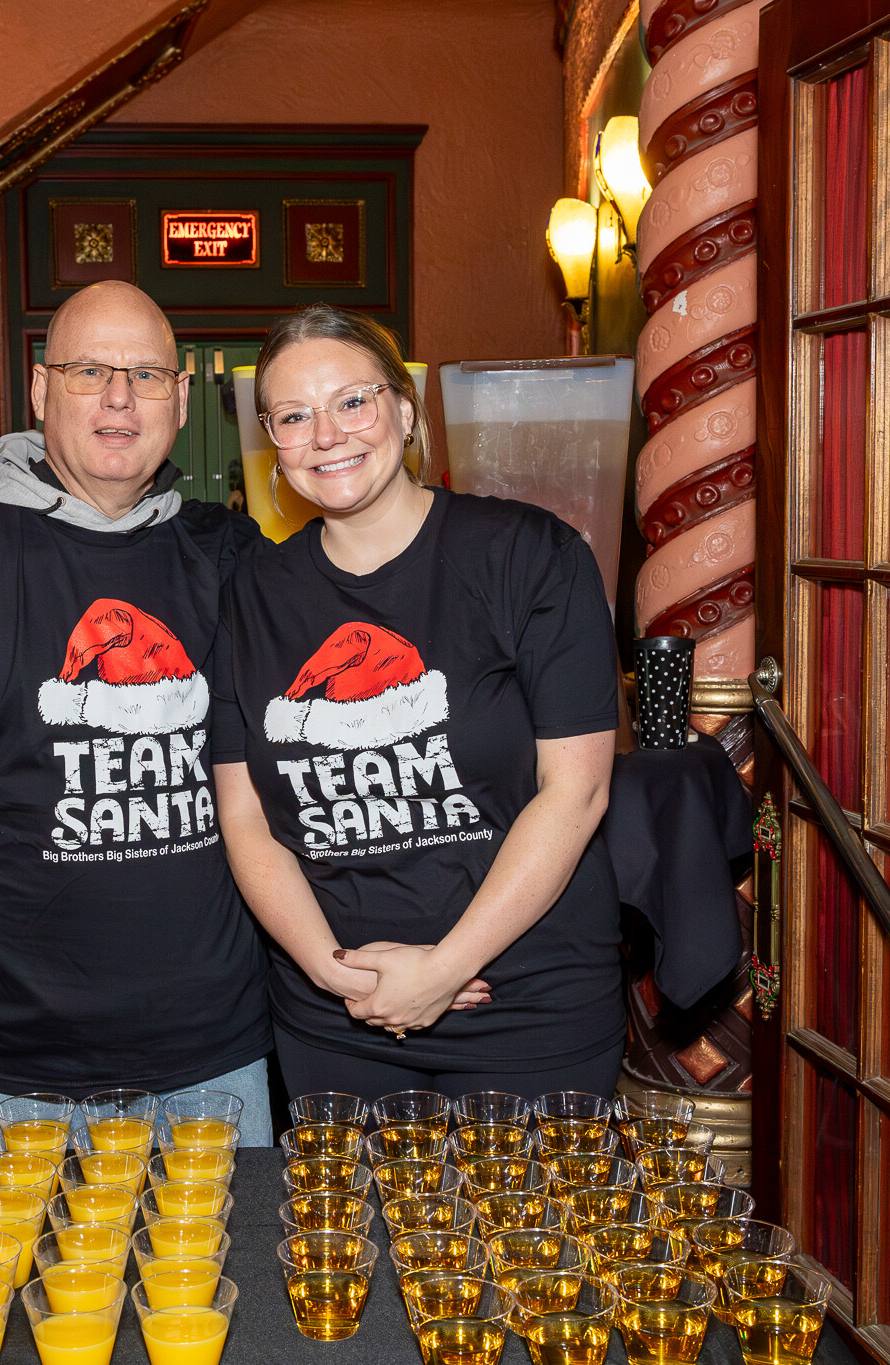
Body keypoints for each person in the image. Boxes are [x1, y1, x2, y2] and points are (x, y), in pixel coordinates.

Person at [0, 281, 272, 1129]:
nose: (119, 397)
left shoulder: (233, 556)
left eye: (145, 375)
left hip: (216, 1059)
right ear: (39, 389)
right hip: (12, 1071)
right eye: (89, 370)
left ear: (181, 400)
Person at [212, 304, 624, 1100]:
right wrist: (333, 970)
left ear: (404, 411)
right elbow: (245, 817)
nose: (326, 435)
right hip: (334, 1015)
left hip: (527, 1006)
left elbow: (576, 792)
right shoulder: (250, 594)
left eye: (352, 401)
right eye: (293, 416)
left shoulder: (531, 555)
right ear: (272, 442)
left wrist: (444, 968)